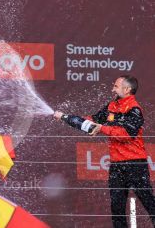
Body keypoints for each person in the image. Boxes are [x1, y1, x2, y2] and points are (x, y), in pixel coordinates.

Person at [54, 75, 155, 227]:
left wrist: (102, 128)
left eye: (115, 86)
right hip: (116, 166)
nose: (112, 89)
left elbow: (127, 134)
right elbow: (91, 121)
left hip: (135, 164)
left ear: (127, 89)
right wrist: (66, 117)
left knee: (148, 202)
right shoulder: (111, 107)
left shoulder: (134, 109)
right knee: (117, 208)